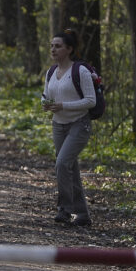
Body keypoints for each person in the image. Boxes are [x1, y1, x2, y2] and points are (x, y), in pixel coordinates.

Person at [42, 29, 96, 227]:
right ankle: (82, 215)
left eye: (58, 46)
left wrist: (64, 105)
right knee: (69, 167)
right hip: (58, 124)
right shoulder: (51, 71)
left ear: (69, 49)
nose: (53, 50)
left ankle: (64, 209)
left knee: (62, 164)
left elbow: (90, 101)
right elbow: (46, 94)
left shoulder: (80, 71)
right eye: (52, 46)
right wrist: (46, 103)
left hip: (79, 124)